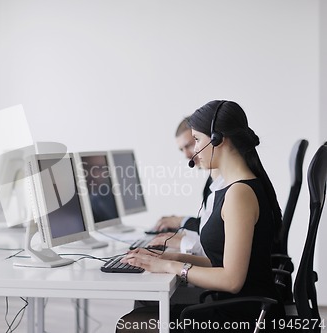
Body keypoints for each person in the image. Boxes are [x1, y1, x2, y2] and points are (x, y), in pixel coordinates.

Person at [117, 100, 284, 332]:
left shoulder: (240, 194)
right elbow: (220, 262)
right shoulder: (234, 189)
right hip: (233, 307)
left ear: (218, 139)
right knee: (143, 310)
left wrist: (171, 268)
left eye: (196, 140)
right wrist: (168, 258)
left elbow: (232, 281)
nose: (193, 150)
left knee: (133, 324)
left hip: (243, 317)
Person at [149, 117, 224, 255]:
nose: (186, 155)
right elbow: (214, 230)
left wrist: (181, 241)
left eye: (189, 144)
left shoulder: (228, 186)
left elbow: (217, 250)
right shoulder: (213, 182)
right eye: (181, 150)